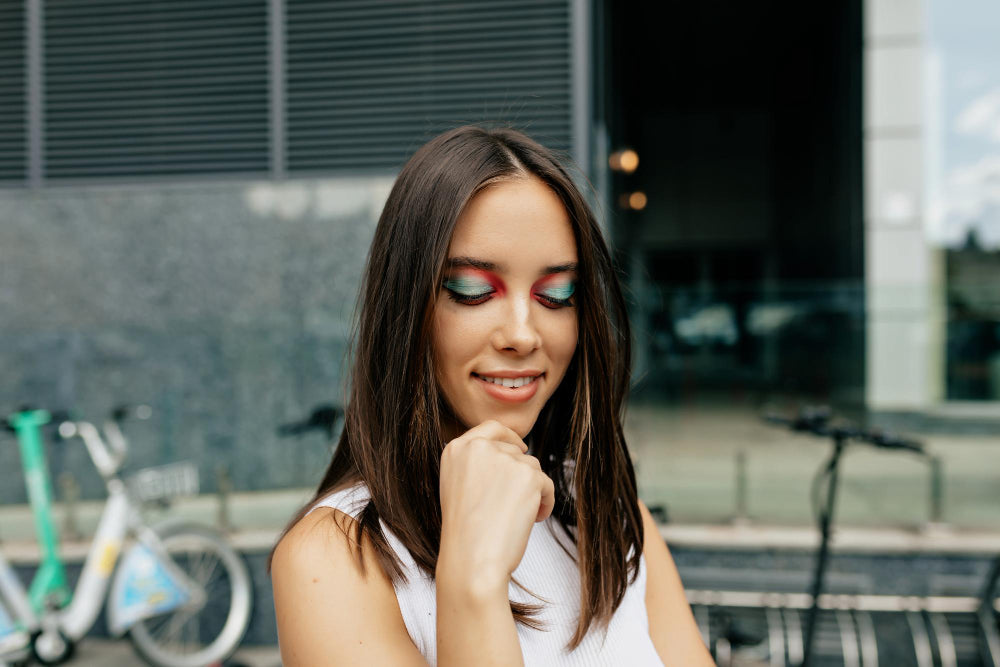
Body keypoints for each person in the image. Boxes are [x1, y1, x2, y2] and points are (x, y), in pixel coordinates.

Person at [268, 125, 714, 666]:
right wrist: (472, 582)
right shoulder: (334, 556)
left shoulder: (612, 517)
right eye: (473, 291)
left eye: (557, 295)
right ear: (406, 308)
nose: (523, 334)